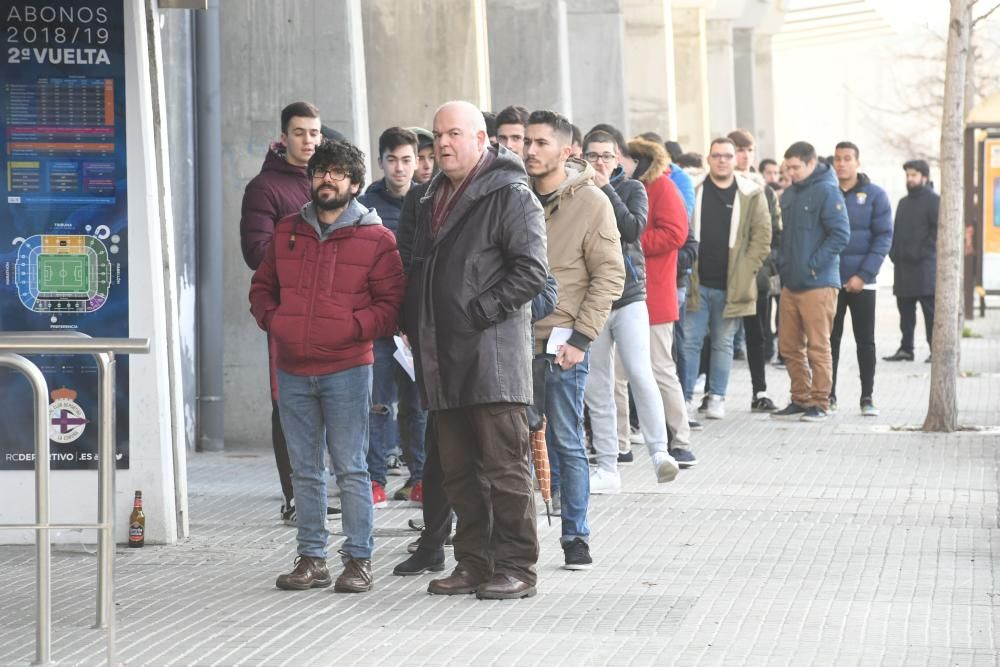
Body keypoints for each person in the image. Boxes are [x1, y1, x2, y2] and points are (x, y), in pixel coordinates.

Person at [402, 101, 549, 600]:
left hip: (492, 357)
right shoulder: (427, 197)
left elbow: (532, 271)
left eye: (455, 134)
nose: (443, 143)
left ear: (482, 140)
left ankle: (517, 568)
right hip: (441, 356)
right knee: (459, 470)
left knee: (505, 469)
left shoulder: (510, 193)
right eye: (438, 135)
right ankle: (473, 561)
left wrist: (479, 313)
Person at [250, 139, 406, 593]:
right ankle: (312, 558)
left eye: (338, 173)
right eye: (321, 171)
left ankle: (358, 560)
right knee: (304, 470)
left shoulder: (377, 238)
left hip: (347, 369)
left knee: (351, 467)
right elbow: (262, 289)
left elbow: (391, 305)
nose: (328, 179)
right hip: (293, 368)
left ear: (355, 184)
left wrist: (351, 328)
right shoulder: (286, 232)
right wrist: (277, 323)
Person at [526, 110, 625, 571]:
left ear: (567, 151)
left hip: (563, 343)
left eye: (541, 143)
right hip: (509, 342)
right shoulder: (513, 195)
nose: (530, 150)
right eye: (527, 141)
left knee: (566, 440)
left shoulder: (592, 201)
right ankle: (515, 539)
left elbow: (610, 274)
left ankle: (575, 537)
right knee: (509, 446)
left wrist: (582, 339)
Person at [239, 101, 340, 526]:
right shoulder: (265, 188)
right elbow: (256, 252)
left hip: (334, 310)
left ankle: (321, 494)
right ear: (284, 137)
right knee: (290, 404)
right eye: (300, 132)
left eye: (315, 133)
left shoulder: (328, 181)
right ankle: (296, 497)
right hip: (289, 312)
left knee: (333, 402)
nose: (309, 141)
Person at [579, 128, 680, 493]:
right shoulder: (575, 190)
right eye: (593, 155)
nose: (600, 162)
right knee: (598, 384)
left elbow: (633, 228)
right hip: (590, 301)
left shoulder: (632, 188)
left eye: (607, 155)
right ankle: (608, 466)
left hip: (630, 295)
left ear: (619, 158)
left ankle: (660, 452)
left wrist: (605, 188)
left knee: (640, 371)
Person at [358, 127, 427, 506]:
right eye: (392, 160)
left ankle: (421, 478)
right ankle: (374, 479)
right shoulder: (367, 205)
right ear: (381, 161)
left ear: (417, 163)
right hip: (381, 324)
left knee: (418, 405)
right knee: (378, 403)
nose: (399, 168)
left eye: (406, 160)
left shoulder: (429, 201)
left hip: (416, 325)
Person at [680, 137, 771, 419]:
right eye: (717, 155)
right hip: (697, 282)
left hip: (732, 286)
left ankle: (717, 396)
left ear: (736, 160)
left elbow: (762, 237)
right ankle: (683, 399)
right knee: (690, 342)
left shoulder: (751, 193)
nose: (722, 160)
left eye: (728, 156)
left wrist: (746, 271)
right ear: (708, 159)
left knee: (723, 343)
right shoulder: (694, 189)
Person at [626, 135, 696, 466]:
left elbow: (675, 234)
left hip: (655, 292)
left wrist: (631, 238)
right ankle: (619, 442)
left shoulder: (663, 188)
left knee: (659, 367)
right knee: (615, 373)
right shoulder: (618, 188)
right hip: (620, 295)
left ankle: (680, 438)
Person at [771, 141, 850, 422]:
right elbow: (783, 235)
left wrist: (813, 265)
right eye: (787, 167)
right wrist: (783, 264)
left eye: (795, 167)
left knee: (818, 346)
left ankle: (820, 401)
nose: (790, 172)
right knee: (789, 346)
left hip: (818, 284)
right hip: (791, 283)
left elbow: (840, 234)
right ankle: (800, 398)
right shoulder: (790, 194)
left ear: (811, 163)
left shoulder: (828, 192)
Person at [829, 142, 893, 415]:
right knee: (829, 340)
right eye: (838, 159)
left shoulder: (875, 195)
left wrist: (863, 275)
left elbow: (883, 238)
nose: (841, 164)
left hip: (862, 283)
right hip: (830, 281)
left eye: (847, 159)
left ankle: (867, 397)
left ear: (857, 162)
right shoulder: (827, 194)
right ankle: (827, 395)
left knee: (865, 340)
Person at [728, 129, 781, 411]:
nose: (744, 155)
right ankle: (711, 392)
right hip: (721, 274)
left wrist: (761, 267)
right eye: (739, 149)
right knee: (715, 336)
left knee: (756, 334)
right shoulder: (714, 186)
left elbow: (775, 235)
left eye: (749, 149)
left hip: (754, 275)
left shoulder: (764, 190)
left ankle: (759, 391)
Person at [884, 159, 939, 363]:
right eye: (908, 175)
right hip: (903, 267)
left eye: (913, 175)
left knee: (930, 313)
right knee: (905, 313)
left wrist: (922, 252)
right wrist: (894, 252)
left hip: (925, 267)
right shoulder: (903, 203)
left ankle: (936, 350)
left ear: (924, 177)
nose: (910, 179)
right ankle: (906, 349)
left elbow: (937, 233)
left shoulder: (935, 201)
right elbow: (895, 232)